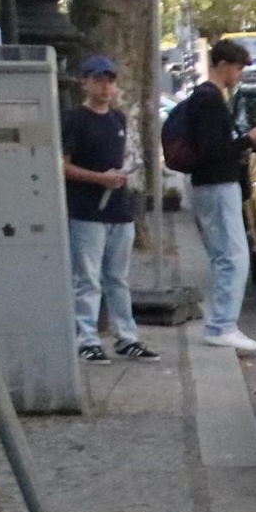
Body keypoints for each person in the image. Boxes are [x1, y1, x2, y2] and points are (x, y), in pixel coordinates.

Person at [59, 55, 157, 364]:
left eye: (110, 80)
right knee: (87, 279)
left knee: (118, 278)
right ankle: (86, 339)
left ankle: (127, 337)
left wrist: (121, 177)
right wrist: (99, 179)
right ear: (84, 82)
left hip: (118, 209)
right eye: (99, 80)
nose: (105, 86)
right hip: (87, 211)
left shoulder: (118, 119)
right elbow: (62, 166)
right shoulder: (73, 120)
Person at [179, 38, 256, 353]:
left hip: (215, 183)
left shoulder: (210, 98)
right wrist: (247, 140)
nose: (239, 75)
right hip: (217, 184)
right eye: (237, 68)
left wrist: (248, 141)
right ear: (222, 66)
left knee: (225, 256)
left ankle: (221, 324)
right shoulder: (209, 99)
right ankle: (221, 325)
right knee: (233, 257)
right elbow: (213, 149)